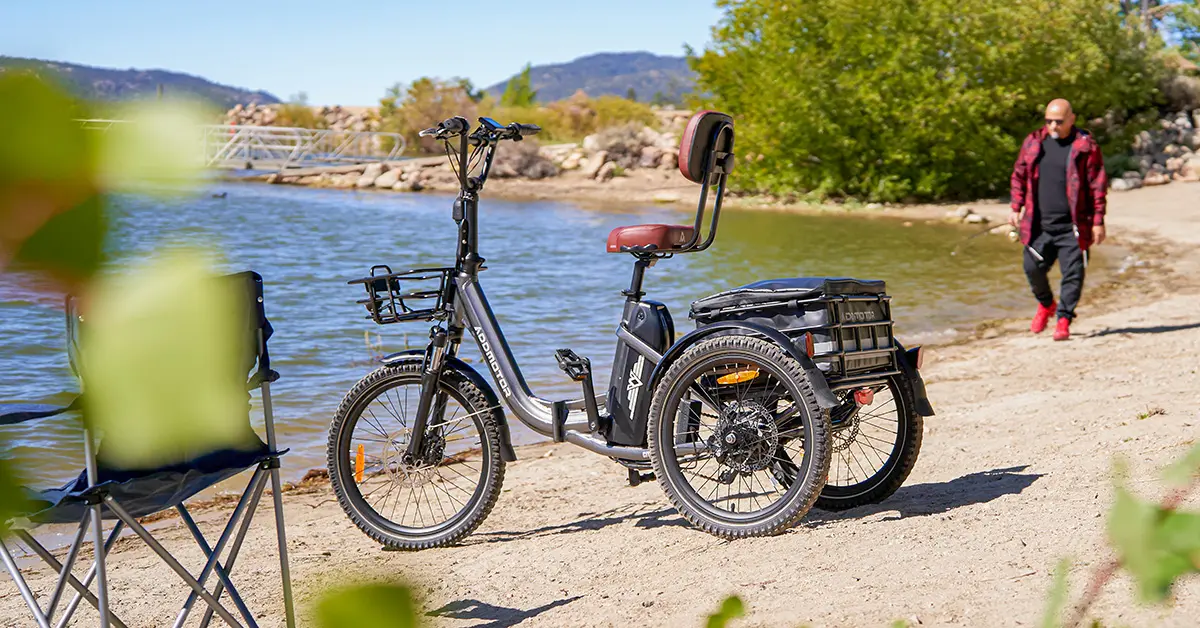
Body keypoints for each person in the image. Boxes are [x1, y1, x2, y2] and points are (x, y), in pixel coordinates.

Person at [1008, 99, 1108, 341]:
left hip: (1073, 225)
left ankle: (1063, 319)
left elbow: (1097, 185)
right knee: (1032, 267)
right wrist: (1015, 206)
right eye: (1049, 120)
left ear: (1071, 119)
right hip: (1038, 224)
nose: (1053, 126)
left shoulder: (1085, 146)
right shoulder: (1034, 142)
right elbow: (1019, 174)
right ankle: (1046, 304)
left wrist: (1098, 221)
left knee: (1073, 274)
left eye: (1059, 121)